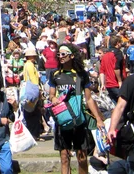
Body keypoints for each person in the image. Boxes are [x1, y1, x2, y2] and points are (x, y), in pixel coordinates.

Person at [48, 43, 104, 174]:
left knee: (82, 156)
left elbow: (89, 99)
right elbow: (51, 94)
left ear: (72, 56)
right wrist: (53, 98)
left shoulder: (81, 75)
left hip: (79, 120)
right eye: (59, 54)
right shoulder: (55, 74)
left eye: (63, 54)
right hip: (62, 120)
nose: (60, 57)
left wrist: (98, 119)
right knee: (64, 157)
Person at [99, 35, 126, 102]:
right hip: (116, 84)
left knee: (115, 106)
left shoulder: (105, 55)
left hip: (108, 85)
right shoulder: (118, 53)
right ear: (117, 43)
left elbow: (102, 71)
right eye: (120, 42)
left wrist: (102, 84)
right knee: (124, 106)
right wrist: (120, 81)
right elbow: (116, 68)